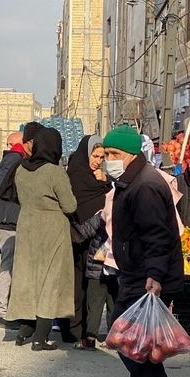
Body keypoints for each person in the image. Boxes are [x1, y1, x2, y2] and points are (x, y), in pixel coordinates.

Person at [103, 125, 183, 377]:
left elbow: (157, 235)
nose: (108, 159)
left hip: (148, 276)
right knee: (133, 340)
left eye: (113, 153)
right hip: (137, 272)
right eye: (106, 153)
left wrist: (155, 274)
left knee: (128, 337)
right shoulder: (131, 180)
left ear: (130, 154)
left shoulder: (145, 185)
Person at [0, 125, 77, 351]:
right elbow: (70, 205)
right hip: (52, 229)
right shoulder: (54, 172)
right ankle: (41, 338)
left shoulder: (22, 170)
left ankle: (24, 331)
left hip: (26, 225)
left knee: (27, 279)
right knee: (50, 280)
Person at [64, 134, 113, 349]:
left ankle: (89, 330)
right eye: (95, 156)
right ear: (86, 154)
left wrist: (106, 182)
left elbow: (111, 199)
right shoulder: (75, 175)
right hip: (76, 239)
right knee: (77, 287)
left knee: (95, 286)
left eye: (102, 157)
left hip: (98, 242)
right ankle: (75, 330)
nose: (98, 161)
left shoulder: (101, 178)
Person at [0, 131, 29, 330]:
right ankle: (7, 312)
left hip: (2, 222)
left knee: (7, 265)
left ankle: (4, 309)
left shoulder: (1, 166)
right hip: (17, 221)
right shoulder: (23, 163)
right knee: (15, 268)